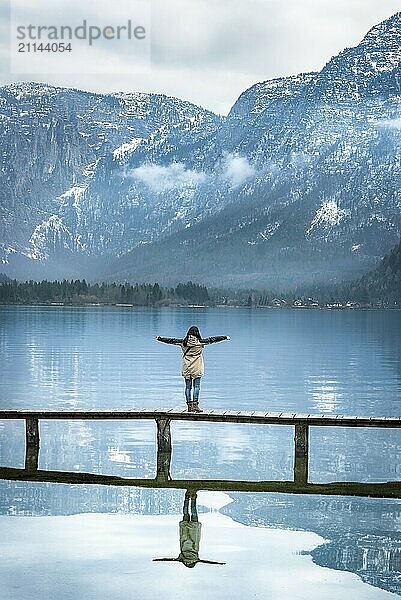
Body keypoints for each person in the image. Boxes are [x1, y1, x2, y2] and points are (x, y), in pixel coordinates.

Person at [156, 326, 230, 412]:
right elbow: (213, 339)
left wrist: (160, 338)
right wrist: (224, 337)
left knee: (188, 387)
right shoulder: (201, 342)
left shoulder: (183, 342)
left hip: (186, 366)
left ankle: (189, 406)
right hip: (197, 366)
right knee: (197, 386)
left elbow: (171, 341)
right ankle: (195, 405)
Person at [153, 490, 225, 568]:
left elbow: (208, 562)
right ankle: (187, 496)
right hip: (184, 532)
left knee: (194, 513)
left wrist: (219, 563)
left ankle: (193, 497)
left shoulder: (195, 559)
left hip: (194, 532)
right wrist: (157, 559)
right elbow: (168, 559)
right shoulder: (182, 559)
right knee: (186, 513)